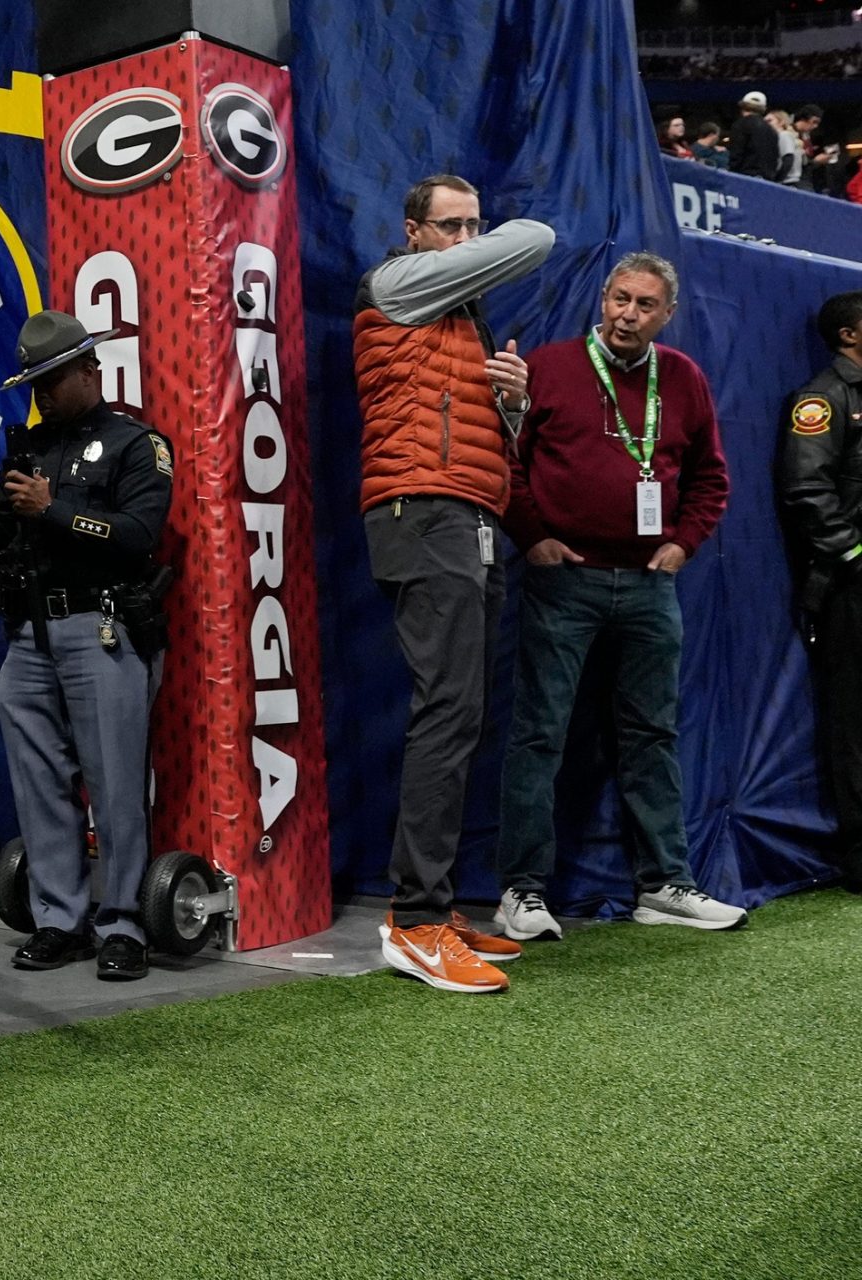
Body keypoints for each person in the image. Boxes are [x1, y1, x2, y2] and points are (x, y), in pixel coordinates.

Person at [495, 253, 744, 940]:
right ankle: (521, 890)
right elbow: (505, 462)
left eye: (644, 305)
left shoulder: (684, 378)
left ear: (667, 315)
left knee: (652, 737)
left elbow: (710, 479)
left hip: (648, 586)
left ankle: (665, 885)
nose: (627, 315)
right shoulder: (548, 366)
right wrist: (532, 536)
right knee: (540, 735)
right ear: (602, 299)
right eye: (619, 299)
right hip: (561, 580)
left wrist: (684, 543)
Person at [354, 174, 554, 994]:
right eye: (453, 224)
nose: (468, 237)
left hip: (466, 516)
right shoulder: (397, 284)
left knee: (461, 714)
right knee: (447, 714)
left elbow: (468, 431)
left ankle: (432, 906)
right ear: (412, 233)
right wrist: (493, 239)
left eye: (475, 223)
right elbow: (536, 238)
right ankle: (418, 921)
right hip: (423, 515)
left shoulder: (459, 316)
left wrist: (512, 404)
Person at [0, 311, 174, 981]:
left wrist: (55, 510)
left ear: (91, 373)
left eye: (54, 380)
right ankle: (60, 919)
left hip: (104, 628)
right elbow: (4, 528)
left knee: (115, 781)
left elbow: (138, 534)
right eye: (35, 384)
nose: (43, 395)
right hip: (30, 633)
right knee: (38, 781)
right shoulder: (27, 448)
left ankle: (123, 922)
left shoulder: (136, 445)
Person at [777, 291, 862, 895]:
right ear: (850, 335)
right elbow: (807, 489)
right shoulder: (824, 398)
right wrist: (857, 557)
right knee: (854, 722)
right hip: (849, 587)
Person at [728, 91, 781, 181]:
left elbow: (736, 153)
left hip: (745, 178)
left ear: (743, 106)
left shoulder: (740, 125)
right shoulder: (771, 130)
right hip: (767, 179)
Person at [770, 108, 805, 186]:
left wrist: (777, 180)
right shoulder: (787, 136)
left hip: (787, 182)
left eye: (770, 121)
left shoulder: (784, 135)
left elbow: (788, 159)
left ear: (781, 122)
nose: (766, 124)